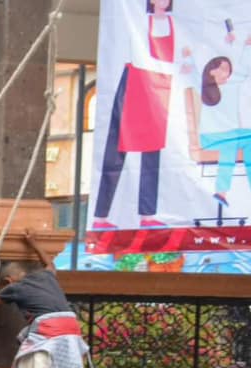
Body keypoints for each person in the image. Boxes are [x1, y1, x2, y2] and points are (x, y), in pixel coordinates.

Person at [93, 0, 177, 230]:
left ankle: (148, 214)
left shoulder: (174, 23)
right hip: (137, 83)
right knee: (116, 149)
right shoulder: (141, 20)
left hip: (160, 88)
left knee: (153, 153)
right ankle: (101, 216)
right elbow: (139, 52)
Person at [186, 24, 251, 207]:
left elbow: (242, 68)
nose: (227, 72)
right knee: (230, 142)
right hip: (210, 138)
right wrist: (188, 57)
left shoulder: (232, 86)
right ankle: (221, 192)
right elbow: (190, 71)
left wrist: (246, 46)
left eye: (228, 69)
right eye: (222, 68)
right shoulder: (204, 88)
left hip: (230, 135)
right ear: (212, 70)